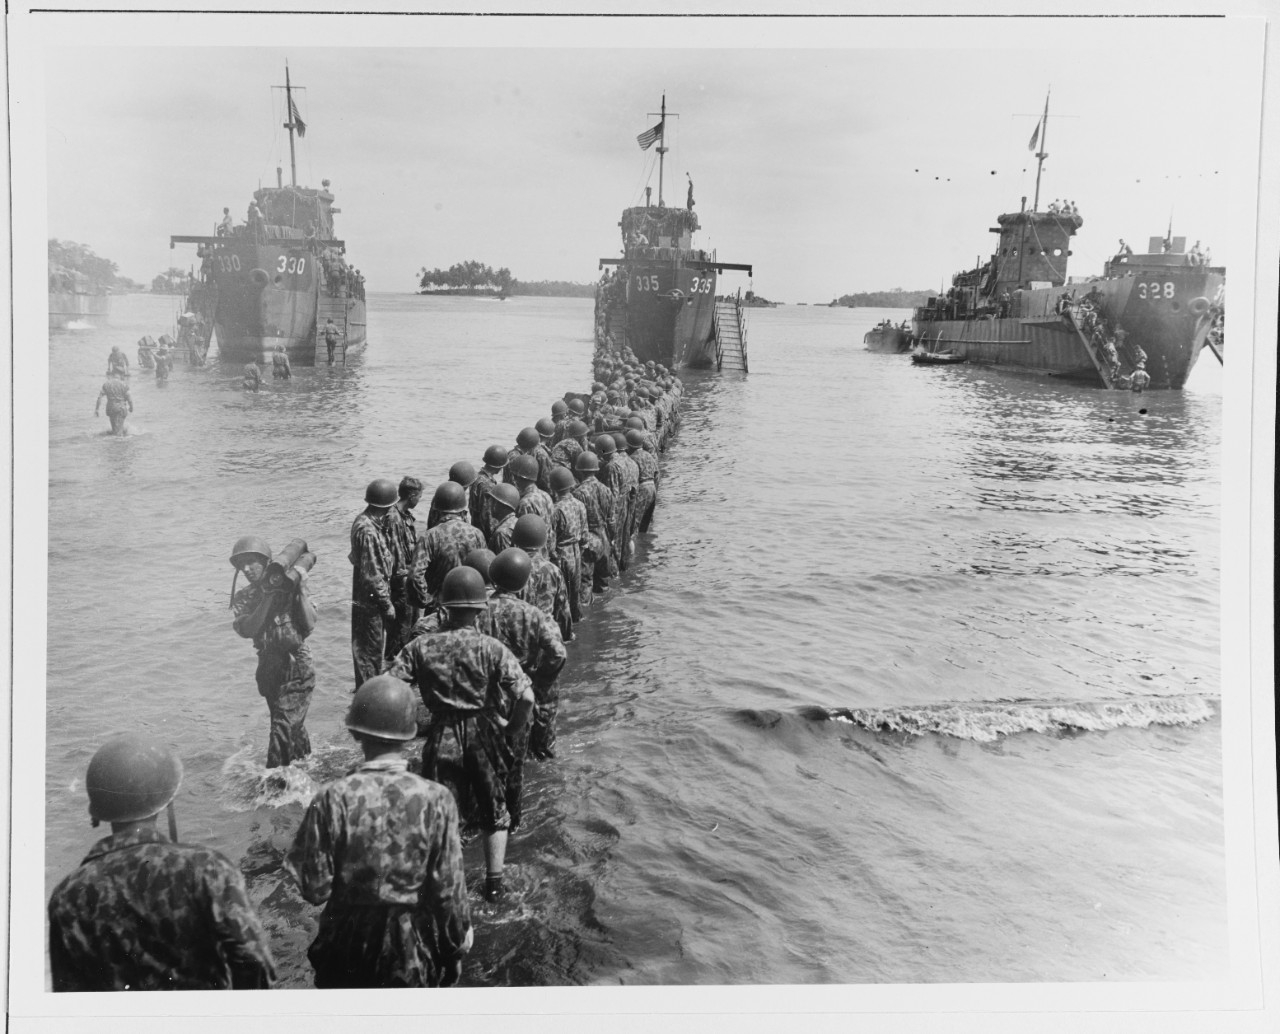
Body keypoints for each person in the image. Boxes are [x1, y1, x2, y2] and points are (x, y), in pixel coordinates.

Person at [284, 676, 473, 988]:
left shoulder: (331, 798)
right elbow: (448, 893)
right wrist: (455, 947)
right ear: (409, 735)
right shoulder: (437, 799)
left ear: (357, 732)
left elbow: (314, 889)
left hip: (345, 946)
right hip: (412, 949)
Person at [48, 734, 275, 990]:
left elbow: (69, 996)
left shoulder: (67, 895)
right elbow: (254, 962)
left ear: (98, 810)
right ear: (167, 800)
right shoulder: (208, 868)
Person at [386, 567, 536, 902]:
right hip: (485, 734)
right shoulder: (492, 648)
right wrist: (511, 729)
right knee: (494, 811)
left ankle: (445, 889)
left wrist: (408, 730)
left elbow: (387, 688)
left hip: (442, 736)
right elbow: (526, 697)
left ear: (444, 605)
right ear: (480, 608)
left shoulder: (420, 647)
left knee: (443, 814)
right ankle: (494, 885)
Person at [230, 536, 317, 769]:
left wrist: (300, 592)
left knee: (282, 729)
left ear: (266, 562)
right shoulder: (244, 598)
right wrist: (268, 596)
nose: (246, 569)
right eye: (242, 565)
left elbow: (308, 626)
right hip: (269, 668)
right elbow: (247, 629)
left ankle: (274, 790)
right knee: (289, 728)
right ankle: (305, 770)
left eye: (251, 562)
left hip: (296, 665)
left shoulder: (288, 586)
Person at [487, 548, 568, 761]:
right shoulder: (533, 614)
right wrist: (541, 675)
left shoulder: (479, 609)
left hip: (489, 691)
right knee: (523, 754)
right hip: (523, 690)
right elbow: (559, 653)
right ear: (523, 584)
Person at [350, 478, 399, 690]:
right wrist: (386, 604)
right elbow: (373, 574)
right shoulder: (368, 531)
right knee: (369, 651)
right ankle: (367, 699)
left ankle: (367, 693)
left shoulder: (366, 523)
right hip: (370, 603)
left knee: (368, 649)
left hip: (366, 599)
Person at [411, 482, 487, 614]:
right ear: (463, 511)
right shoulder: (477, 534)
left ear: (437, 510)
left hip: (439, 608)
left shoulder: (430, 537)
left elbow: (415, 575)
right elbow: (485, 568)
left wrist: (426, 600)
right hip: (469, 607)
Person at [511, 515, 573, 642]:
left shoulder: (511, 567)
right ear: (544, 542)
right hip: (547, 638)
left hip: (520, 638)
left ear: (515, 540)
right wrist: (566, 636)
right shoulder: (553, 570)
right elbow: (563, 611)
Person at [385, 476, 424, 659]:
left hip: (407, 579)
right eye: (419, 496)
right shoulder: (394, 517)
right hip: (400, 582)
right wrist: (406, 573)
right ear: (412, 495)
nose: (419, 500)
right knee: (400, 631)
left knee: (410, 627)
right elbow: (395, 553)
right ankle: (393, 667)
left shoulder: (405, 516)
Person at [571, 450, 615, 604]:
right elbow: (612, 519)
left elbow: (576, 523)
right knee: (603, 583)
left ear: (579, 470)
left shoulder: (577, 493)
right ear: (596, 469)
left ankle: (588, 621)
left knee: (586, 582)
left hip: (588, 540)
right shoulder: (606, 489)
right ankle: (605, 612)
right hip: (604, 537)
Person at [548, 466, 587, 625]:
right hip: (576, 550)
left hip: (562, 553)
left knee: (563, 592)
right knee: (575, 591)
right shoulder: (579, 504)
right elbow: (585, 534)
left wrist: (553, 557)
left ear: (554, 487)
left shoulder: (555, 509)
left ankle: (566, 627)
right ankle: (578, 619)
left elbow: (551, 540)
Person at [510, 454, 557, 556]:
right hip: (546, 551)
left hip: (532, 555)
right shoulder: (545, 495)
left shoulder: (525, 503)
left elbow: (523, 535)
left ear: (517, 478)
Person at [626, 428, 660, 533]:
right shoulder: (649, 455)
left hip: (642, 489)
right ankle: (646, 544)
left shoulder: (632, 458)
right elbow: (657, 474)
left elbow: (631, 482)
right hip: (652, 488)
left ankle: (638, 547)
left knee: (634, 525)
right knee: (646, 523)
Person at [473, 445, 508, 538]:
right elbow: (487, 516)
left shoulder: (477, 477)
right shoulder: (488, 486)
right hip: (485, 534)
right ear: (499, 466)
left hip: (477, 529)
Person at [95, 371, 133, 436]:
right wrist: (131, 407)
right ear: (121, 376)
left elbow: (99, 397)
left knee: (114, 428)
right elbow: (129, 398)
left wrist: (97, 409)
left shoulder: (106, 384)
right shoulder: (124, 385)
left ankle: (113, 443)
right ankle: (118, 442)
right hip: (121, 408)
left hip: (111, 408)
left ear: (112, 376)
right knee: (119, 431)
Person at [487, 482, 521, 554]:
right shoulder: (517, 522)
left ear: (497, 505)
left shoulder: (502, 533)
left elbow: (505, 563)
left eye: (492, 501)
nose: (489, 505)